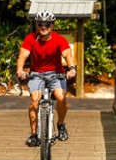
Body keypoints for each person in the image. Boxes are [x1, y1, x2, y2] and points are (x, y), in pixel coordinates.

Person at [16, 11, 76, 147]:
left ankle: (61, 125)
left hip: (56, 74)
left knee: (61, 98)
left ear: (52, 26)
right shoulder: (30, 39)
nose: (43, 27)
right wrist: (20, 69)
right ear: (36, 25)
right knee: (34, 100)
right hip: (36, 74)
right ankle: (33, 134)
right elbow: (22, 56)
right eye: (40, 24)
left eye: (47, 24)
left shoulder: (59, 39)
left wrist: (72, 68)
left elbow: (67, 55)